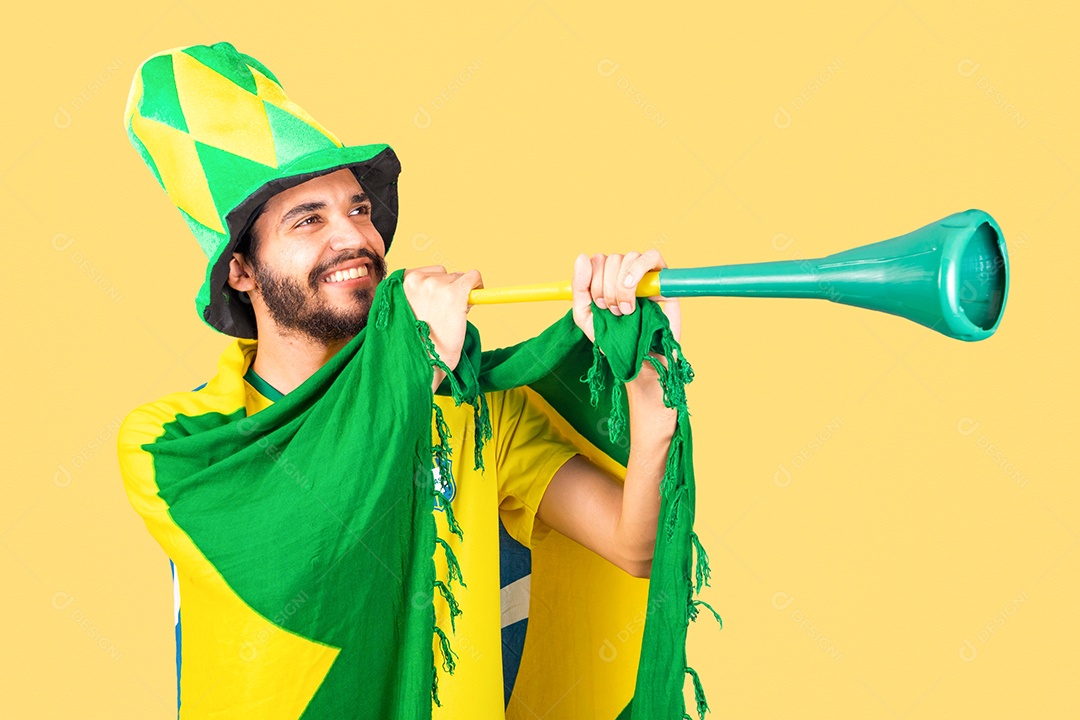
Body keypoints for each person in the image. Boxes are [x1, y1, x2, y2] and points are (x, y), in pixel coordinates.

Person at [118, 41, 685, 718]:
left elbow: (635, 542)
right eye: (309, 219)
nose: (354, 238)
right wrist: (411, 364)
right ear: (241, 272)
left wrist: (649, 390)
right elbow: (307, 548)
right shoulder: (176, 445)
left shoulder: (470, 413)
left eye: (358, 210)